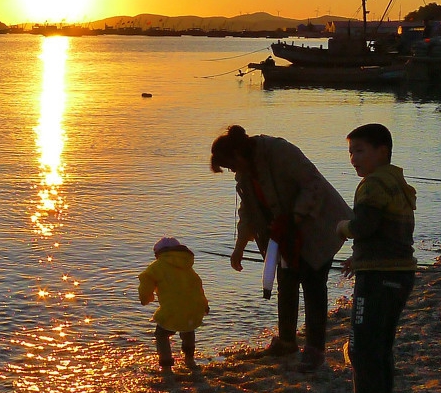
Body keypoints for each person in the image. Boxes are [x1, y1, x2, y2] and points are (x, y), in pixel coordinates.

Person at [210, 125, 351, 372]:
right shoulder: (244, 173)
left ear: (238, 153)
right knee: (286, 283)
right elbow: (248, 214)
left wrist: (294, 217)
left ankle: (315, 350)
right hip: (283, 234)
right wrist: (239, 247)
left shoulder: (279, 150)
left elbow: (312, 184)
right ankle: (287, 342)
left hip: (318, 224)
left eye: (230, 164)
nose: (231, 170)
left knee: (313, 285)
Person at [336, 123, 417, 393]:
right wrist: (359, 259)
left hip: (380, 279)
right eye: (351, 152)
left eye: (360, 151)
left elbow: (364, 226)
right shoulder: (397, 181)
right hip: (398, 274)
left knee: (362, 350)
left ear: (381, 151)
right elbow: (392, 233)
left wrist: (343, 227)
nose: (354, 159)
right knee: (380, 349)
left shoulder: (372, 185)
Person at [138, 237, 209, 373]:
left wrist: (146, 299)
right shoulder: (187, 267)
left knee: (162, 334)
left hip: (172, 311)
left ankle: (166, 366)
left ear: (159, 253)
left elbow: (146, 281)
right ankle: (189, 360)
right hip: (193, 308)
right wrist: (204, 305)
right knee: (188, 329)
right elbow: (198, 288)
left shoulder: (156, 267)